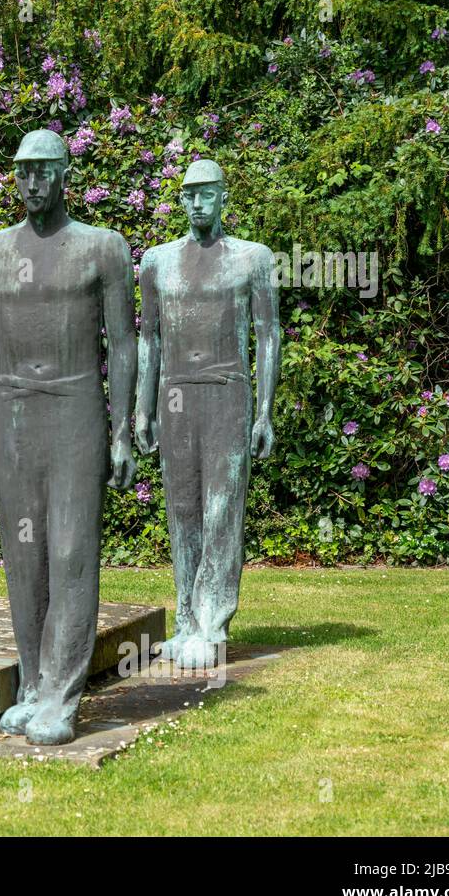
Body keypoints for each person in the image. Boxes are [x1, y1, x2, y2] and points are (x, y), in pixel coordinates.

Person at [0, 130, 137, 746]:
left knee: (70, 552)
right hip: (12, 412)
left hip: (75, 409)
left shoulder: (102, 249)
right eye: (21, 172)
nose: (31, 182)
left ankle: (62, 697)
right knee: (24, 558)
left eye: (43, 171)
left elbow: (123, 344)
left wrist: (125, 432)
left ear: (66, 174)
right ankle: (34, 684)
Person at [135, 159, 280, 669]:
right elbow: (148, 338)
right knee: (182, 511)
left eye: (207, 193)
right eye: (189, 194)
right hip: (175, 398)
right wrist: (141, 410)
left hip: (227, 394)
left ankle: (213, 624)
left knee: (221, 511)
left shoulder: (252, 259)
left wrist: (264, 412)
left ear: (223, 196)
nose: (198, 202)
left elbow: (268, 335)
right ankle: (187, 620)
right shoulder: (157, 262)